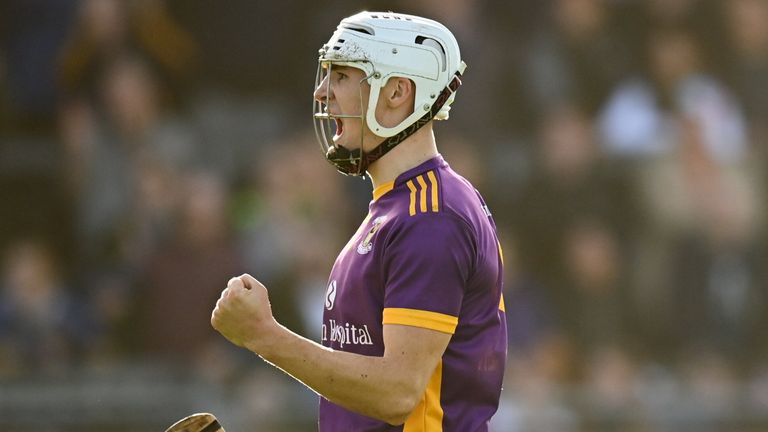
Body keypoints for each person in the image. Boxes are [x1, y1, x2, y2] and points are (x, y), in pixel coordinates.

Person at [211, 11, 507, 431]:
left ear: (398, 92)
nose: (321, 92)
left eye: (344, 76)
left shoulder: (431, 216)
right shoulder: (395, 209)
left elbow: (396, 393)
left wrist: (263, 335)